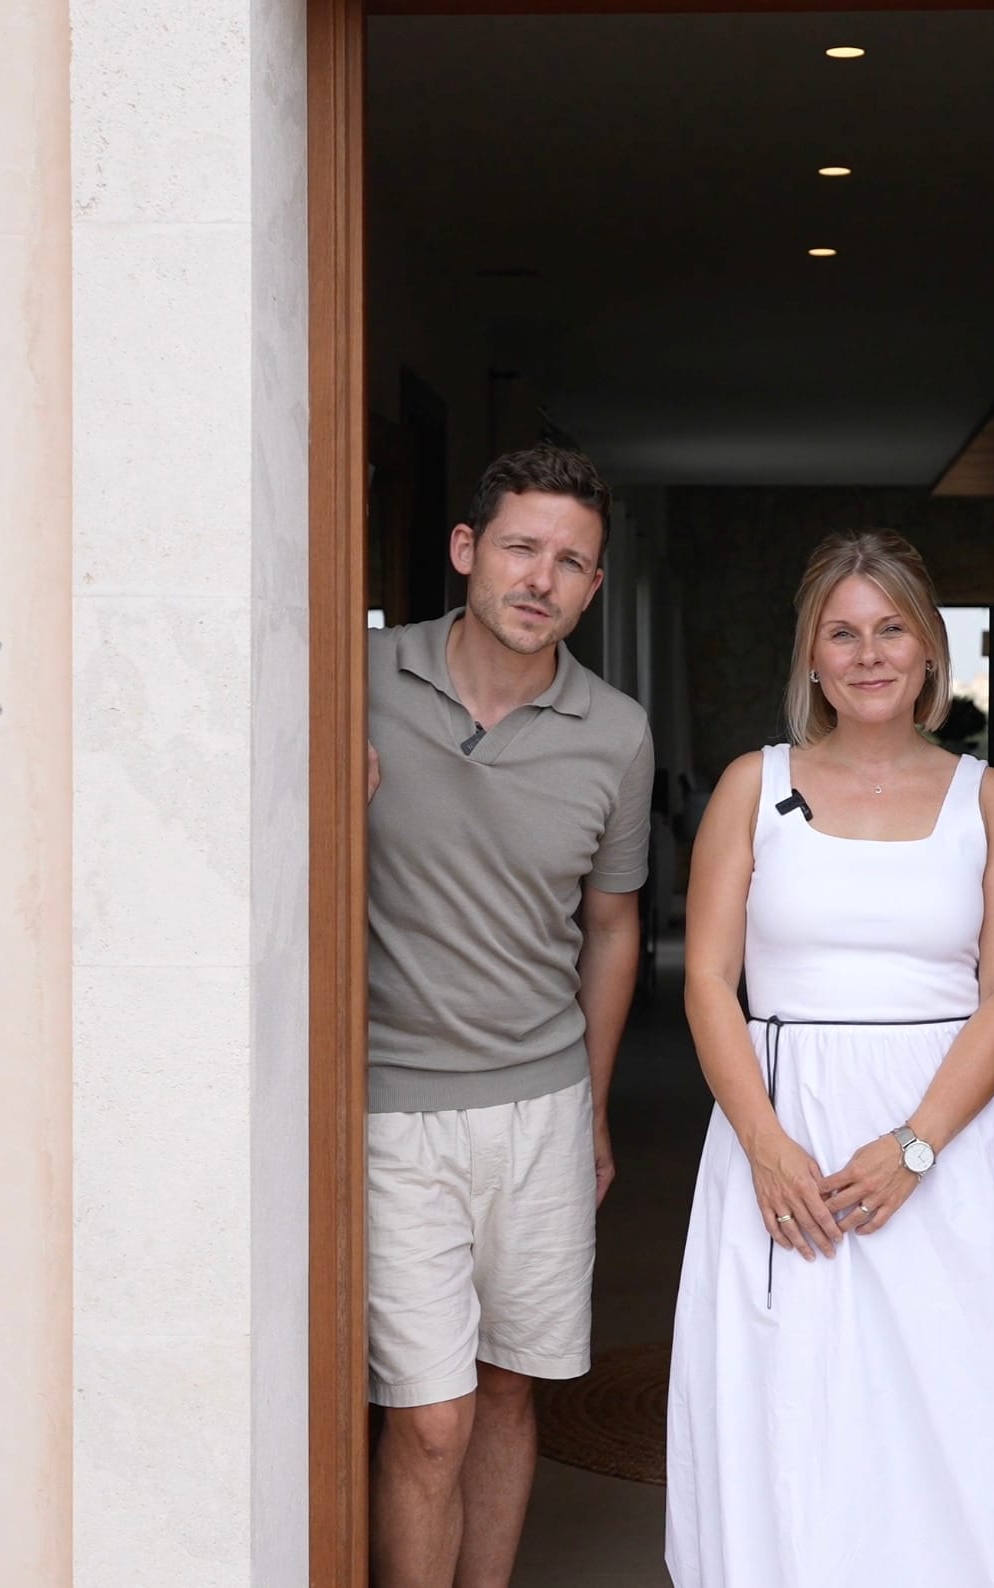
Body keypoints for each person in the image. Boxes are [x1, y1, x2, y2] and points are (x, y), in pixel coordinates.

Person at [665, 531, 994, 1587]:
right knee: (794, 1407)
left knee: (957, 1405)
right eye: (842, 633)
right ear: (810, 657)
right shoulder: (751, 786)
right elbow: (707, 979)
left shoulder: (988, 800)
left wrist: (913, 1147)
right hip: (786, 1135)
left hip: (947, 1136)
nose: (868, 654)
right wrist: (766, 1145)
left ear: (929, 648)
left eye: (890, 629)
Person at [364, 444, 653, 1588]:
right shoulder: (358, 678)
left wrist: (594, 1104)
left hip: (541, 1107)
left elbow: (613, 925)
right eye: (521, 547)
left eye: (570, 561)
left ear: (592, 586)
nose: (541, 578)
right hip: (391, 1106)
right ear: (465, 549)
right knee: (429, 1416)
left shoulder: (615, 732)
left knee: (505, 1388)